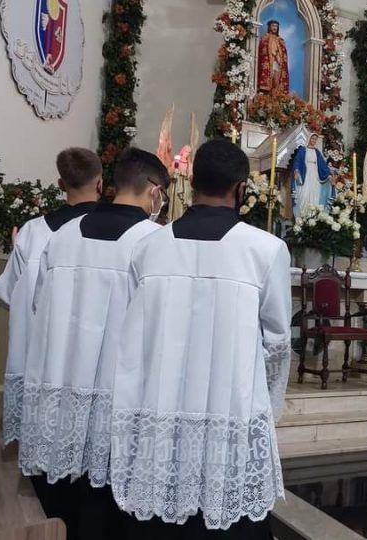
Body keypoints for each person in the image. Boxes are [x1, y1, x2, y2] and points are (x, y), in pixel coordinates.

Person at [110, 139, 290, 538]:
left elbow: (132, 335)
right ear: (242, 188)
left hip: (160, 408)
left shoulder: (148, 247)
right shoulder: (266, 249)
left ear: (190, 181)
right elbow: (277, 342)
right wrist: (265, 406)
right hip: (230, 410)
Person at [19, 147, 169, 538]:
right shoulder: (155, 242)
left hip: (64, 386)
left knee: (64, 501)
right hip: (119, 398)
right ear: (154, 192)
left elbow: (39, 306)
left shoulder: (62, 235)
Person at [0, 147, 102, 446]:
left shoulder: (32, 232)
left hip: (39, 357)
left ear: (60, 185)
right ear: (101, 184)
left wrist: (17, 249)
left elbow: (7, 294)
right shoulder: (111, 232)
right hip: (90, 359)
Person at [291, 134, 332, 218]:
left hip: (315, 176)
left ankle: (313, 216)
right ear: (309, 139)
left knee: (315, 193)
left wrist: (329, 175)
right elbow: (297, 161)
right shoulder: (303, 150)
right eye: (312, 138)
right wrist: (296, 170)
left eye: (315, 139)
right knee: (304, 195)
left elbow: (323, 165)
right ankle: (303, 215)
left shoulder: (317, 152)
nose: (314, 141)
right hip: (305, 175)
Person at [257, 20, 289, 94]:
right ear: (269, 27)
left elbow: (283, 53)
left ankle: (276, 95)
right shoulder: (265, 38)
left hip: (278, 63)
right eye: (273, 26)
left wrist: (278, 56)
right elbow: (262, 50)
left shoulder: (280, 40)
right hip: (269, 62)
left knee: (277, 79)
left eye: (276, 26)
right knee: (269, 77)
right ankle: (267, 95)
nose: (274, 28)